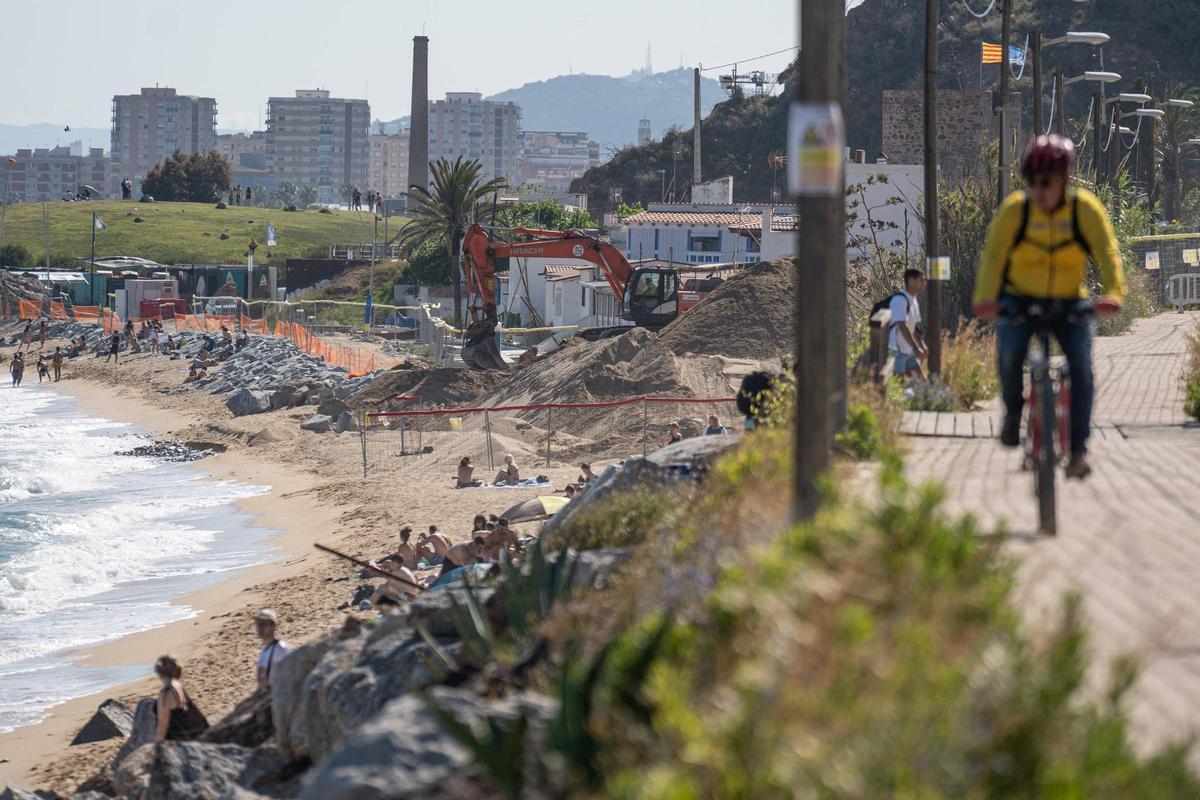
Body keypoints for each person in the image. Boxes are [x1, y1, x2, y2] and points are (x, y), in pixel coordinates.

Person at [973, 134, 1123, 480]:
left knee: (1082, 369)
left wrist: (1114, 293)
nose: (1039, 190)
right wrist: (986, 298)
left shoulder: (1085, 210)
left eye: (1047, 182)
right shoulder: (1016, 210)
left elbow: (1107, 253)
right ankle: (1013, 413)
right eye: (1033, 183)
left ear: (1065, 179)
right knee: (1010, 356)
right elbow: (994, 256)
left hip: (1070, 300)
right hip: (1019, 298)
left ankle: (1079, 449)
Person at [154, 655, 207, 741]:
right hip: (191, 732)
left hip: (177, 739)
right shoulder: (178, 685)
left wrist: (156, 746)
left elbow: (163, 724)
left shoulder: (166, 694)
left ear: (160, 674)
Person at [888, 268, 929, 381]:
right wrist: (916, 348)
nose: (924, 283)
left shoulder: (913, 300)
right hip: (898, 351)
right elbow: (902, 326)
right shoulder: (900, 300)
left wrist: (922, 346)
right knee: (899, 386)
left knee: (921, 383)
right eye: (921, 280)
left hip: (908, 350)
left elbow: (912, 328)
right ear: (911, 281)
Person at [254, 609, 292, 692]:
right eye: (258, 624)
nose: (260, 628)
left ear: (274, 626)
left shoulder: (282, 650)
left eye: (264, 624)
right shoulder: (265, 649)